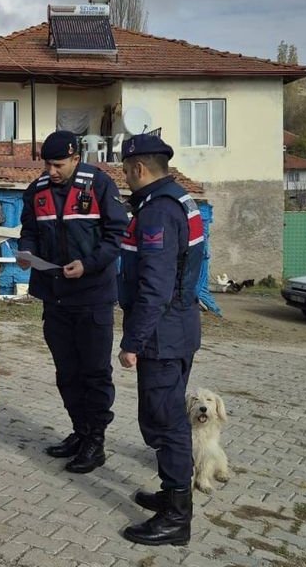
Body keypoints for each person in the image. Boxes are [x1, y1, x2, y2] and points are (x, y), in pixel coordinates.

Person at [16, 130, 127, 473]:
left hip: (93, 297)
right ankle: (80, 432)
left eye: (58, 164)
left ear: (76, 158)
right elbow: (29, 230)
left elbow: (116, 235)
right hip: (56, 297)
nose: (51, 170)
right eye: (47, 164)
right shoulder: (37, 191)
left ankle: (96, 440)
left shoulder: (99, 185)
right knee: (67, 373)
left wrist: (89, 264)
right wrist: (26, 252)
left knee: (94, 373)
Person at [115, 133, 205, 546]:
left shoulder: (157, 212)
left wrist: (132, 341)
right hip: (176, 328)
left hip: (162, 335)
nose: (126, 177)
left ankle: (176, 518)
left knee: (165, 424)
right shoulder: (178, 200)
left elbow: (155, 285)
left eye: (125, 170)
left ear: (138, 168)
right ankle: (171, 495)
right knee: (164, 419)